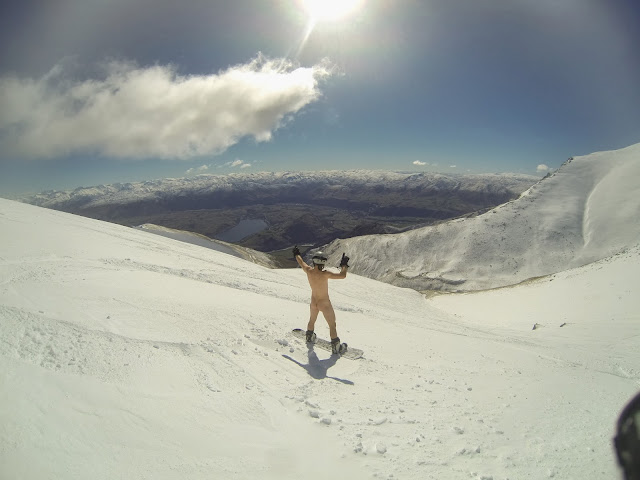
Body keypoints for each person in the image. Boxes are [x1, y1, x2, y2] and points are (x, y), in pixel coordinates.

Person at [293, 246, 350, 354]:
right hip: (324, 304)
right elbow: (343, 276)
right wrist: (344, 266)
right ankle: (336, 346)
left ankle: (309, 336)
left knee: (312, 320)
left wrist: (296, 254)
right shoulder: (325, 274)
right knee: (332, 325)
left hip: (314, 302)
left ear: (314, 261)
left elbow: (301, 262)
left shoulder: (309, 271)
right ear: (323, 263)